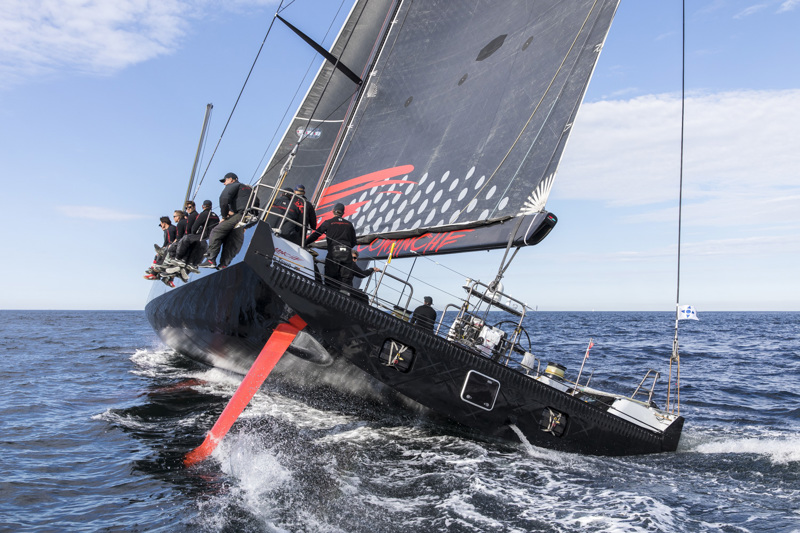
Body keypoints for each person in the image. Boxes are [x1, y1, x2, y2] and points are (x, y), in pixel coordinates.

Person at [200, 172, 253, 269]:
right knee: (232, 239)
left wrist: (224, 216)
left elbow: (223, 199)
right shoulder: (249, 189)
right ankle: (224, 265)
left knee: (216, 232)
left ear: (232, 179)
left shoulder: (234, 185)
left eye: (225, 180)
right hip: (248, 217)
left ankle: (211, 259)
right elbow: (256, 202)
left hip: (240, 215)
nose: (224, 183)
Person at [305, 203, 356, 285]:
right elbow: (354, 241)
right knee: (345, 279)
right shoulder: (349, 224)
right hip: (346, 254)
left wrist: (305, 242)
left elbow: (316, 234)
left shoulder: (328, 222)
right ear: (343, 213)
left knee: (330, 278)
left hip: (333, 253)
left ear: (333, 211)